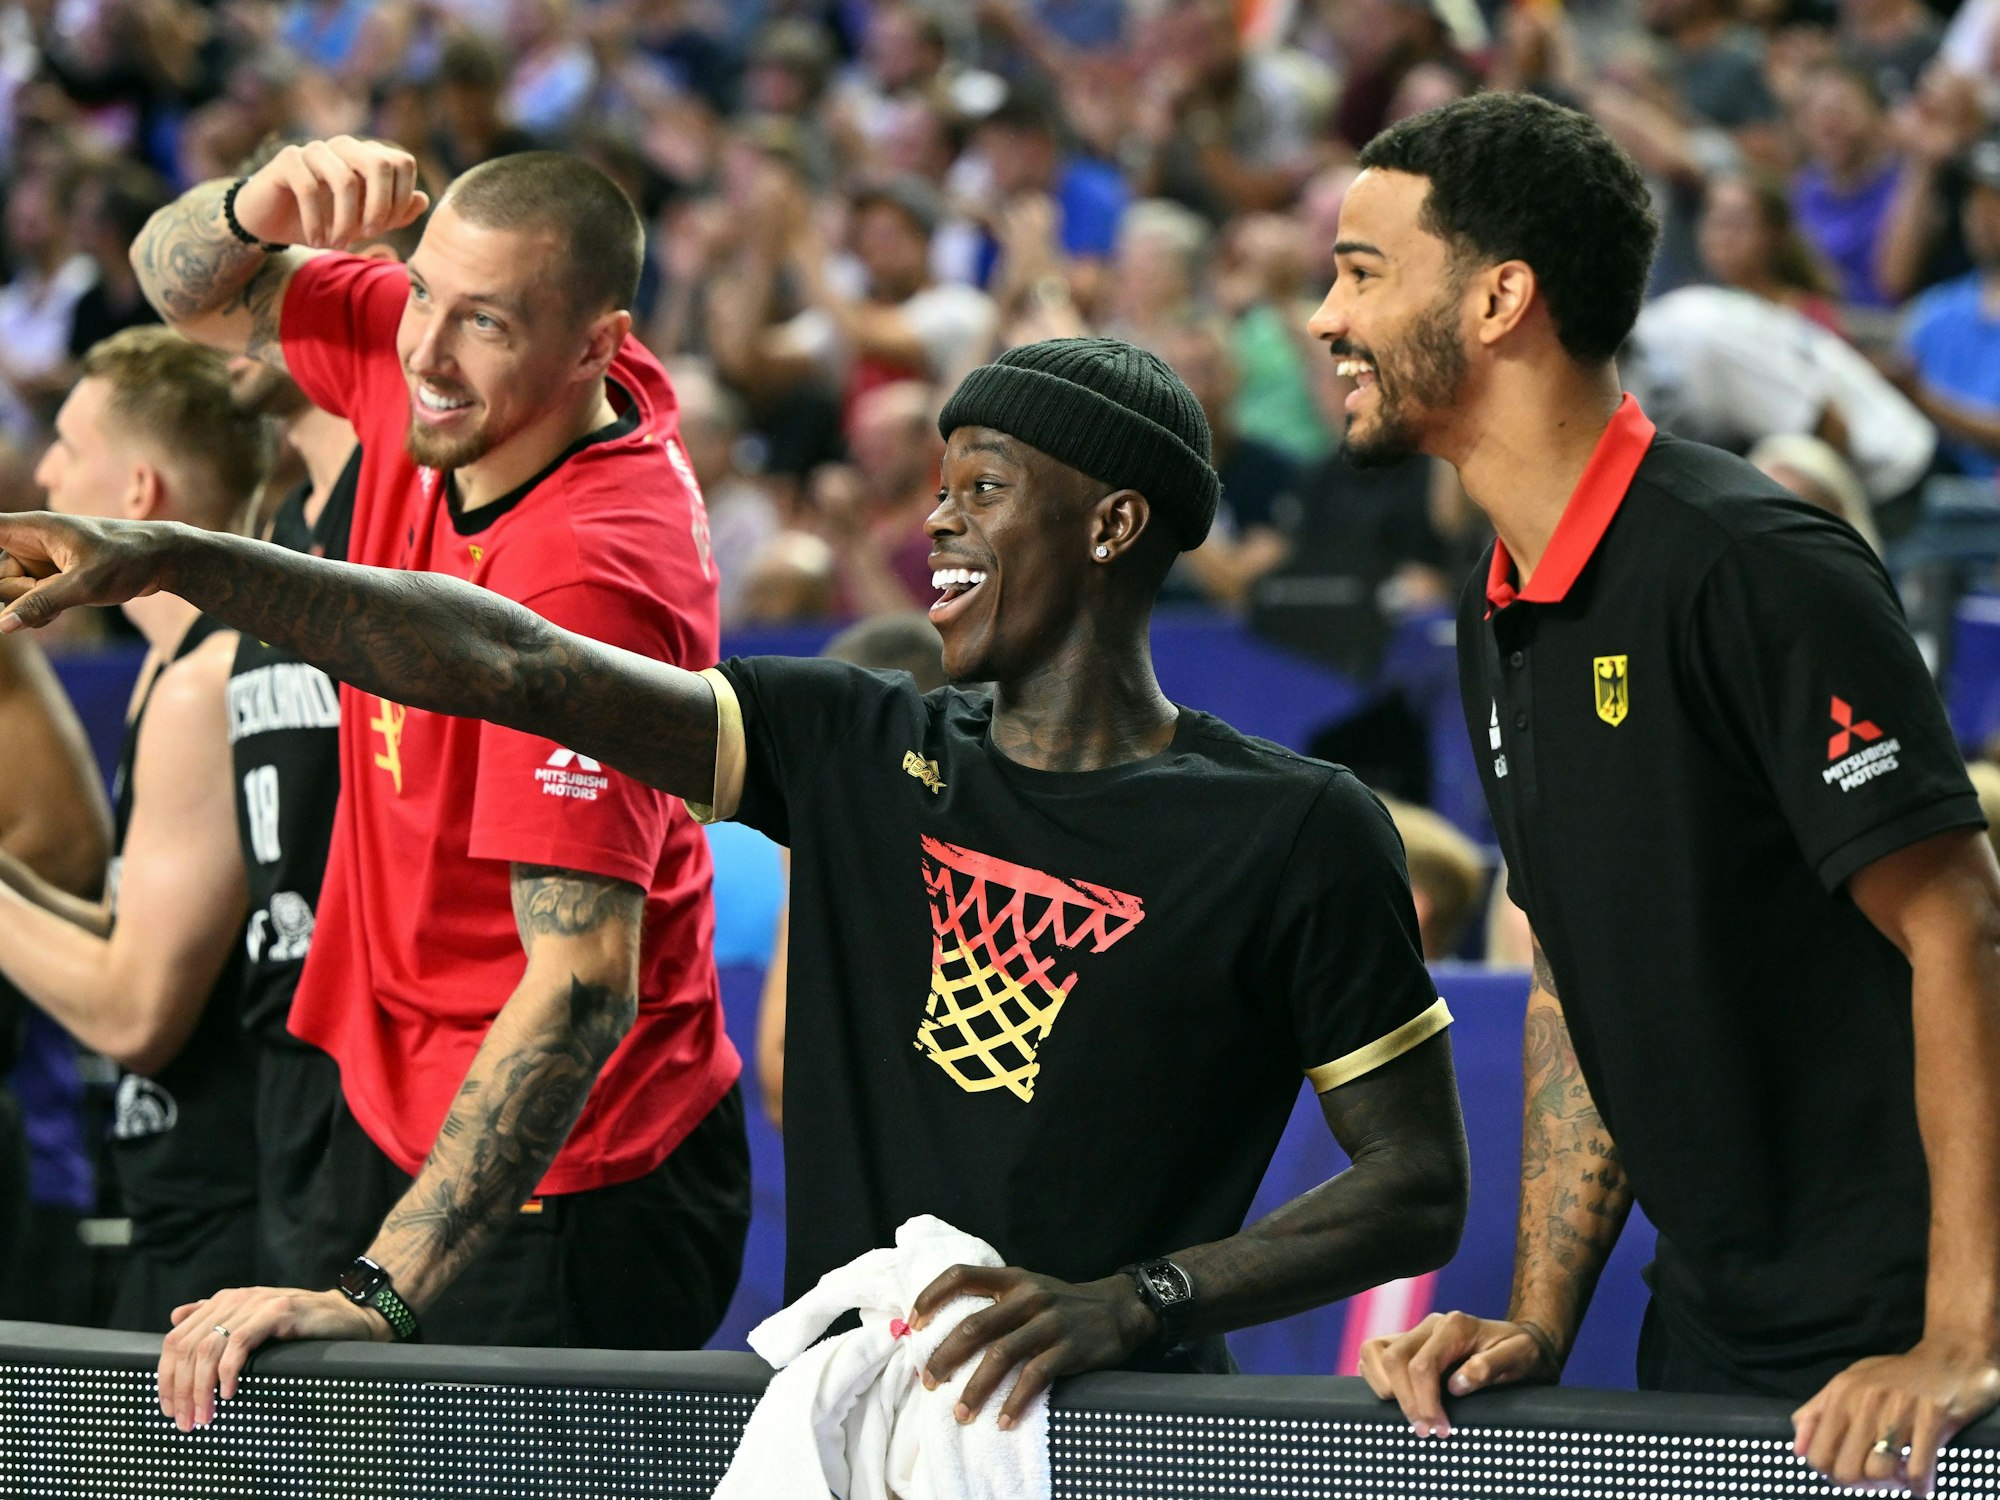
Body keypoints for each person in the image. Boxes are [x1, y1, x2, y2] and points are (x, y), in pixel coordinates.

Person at [0, 334, 1470, 1436]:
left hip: (1119, 1438)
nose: (937, 523)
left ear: (1112, 525)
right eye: (935, 485)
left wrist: (1132, 1303)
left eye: (986, 488)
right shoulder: (853, 737)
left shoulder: (1296, 828)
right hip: (845, 1424)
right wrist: (180, 557)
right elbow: (509, 658)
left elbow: (1414, 1186)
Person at [1307, 92, 2000, 1493]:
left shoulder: (1755, 563)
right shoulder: (1497, 598)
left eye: (1363, 270)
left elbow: (1960, 933)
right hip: (1709, 1335)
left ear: (1502, 298)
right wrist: (1543, 1316)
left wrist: (1961, 1341)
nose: (1326, 317)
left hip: (1902, 1360)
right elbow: (1575, 967)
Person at [124, 138, 749, 1411]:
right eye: (419, 294)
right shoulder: (437, 369)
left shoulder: (591, 578)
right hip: (385, 1092)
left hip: (564, 1176)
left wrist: (382, 1293)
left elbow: (579, 988)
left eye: (483, 322)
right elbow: (171, 283)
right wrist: (255, 204)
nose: (424, 352)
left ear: (594, 348)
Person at [0, 326, 270, 1331]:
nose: (45, 470)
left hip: (233, 1204)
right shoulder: (175, 665)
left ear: (139, 493)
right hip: (186, 1185)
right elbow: (132, 932)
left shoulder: (208, 680)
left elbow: (134, 1017)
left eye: (68, 445)